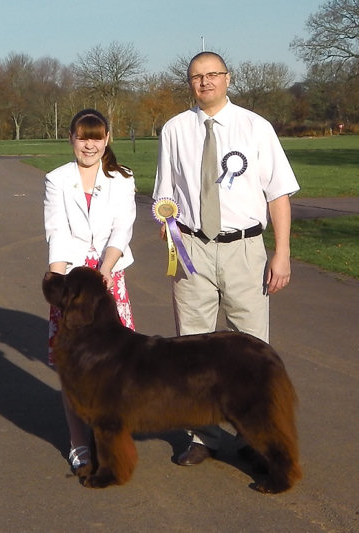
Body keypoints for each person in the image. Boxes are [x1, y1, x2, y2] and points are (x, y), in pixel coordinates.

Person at [153, 52, 299, 466]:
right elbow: (165, 195)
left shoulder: (256, 127)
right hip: (191, 249)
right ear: (190, 83)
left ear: (227, 78)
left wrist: (282, 254)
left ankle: (256, 434)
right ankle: (203, 436)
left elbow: (279, 194)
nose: (205, 83)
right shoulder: (175, 129)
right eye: (197, 77)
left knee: (250, 349)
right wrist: (173, 246)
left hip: (245, 249)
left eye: (212, 74)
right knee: (191, 351)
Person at [44, 108, 136, 471]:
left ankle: (111, 436)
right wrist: (56, 283)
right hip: (70, 279)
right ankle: (78, 442)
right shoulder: (56, 179)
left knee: (115, 364)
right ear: (71, 138)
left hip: (109, 277)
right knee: (70, 365)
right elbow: (57, 231)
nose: (89, 145)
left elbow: (123, 227)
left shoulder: (122, 178)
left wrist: (106, 269)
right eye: (83, 137)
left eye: (96, 138)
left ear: (107, 140)